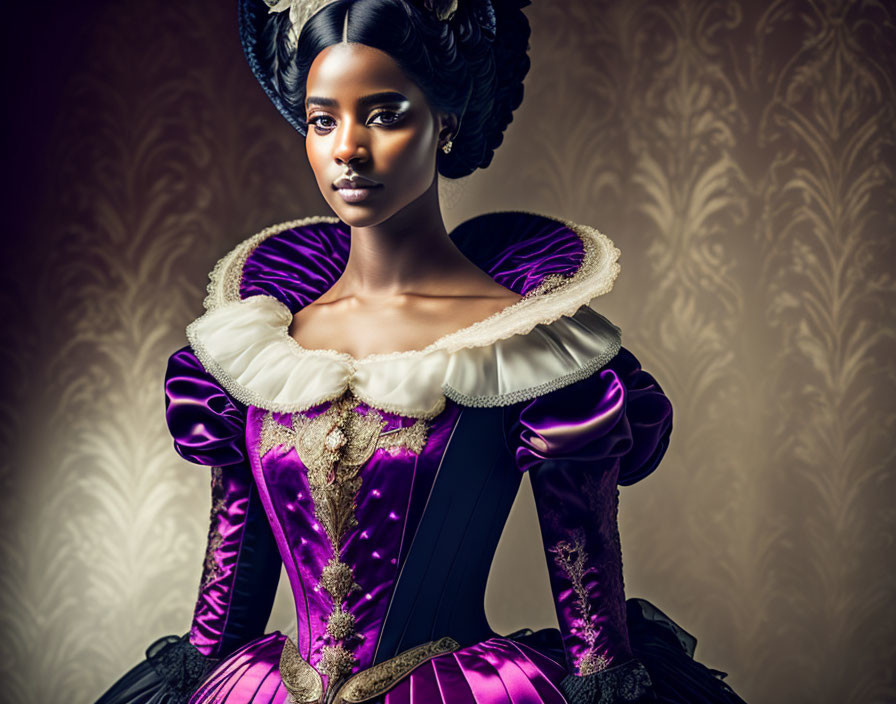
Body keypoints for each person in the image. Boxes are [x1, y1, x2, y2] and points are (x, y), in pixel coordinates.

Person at [94, 0, 750, 702]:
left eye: (382, 114)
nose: (348, 147)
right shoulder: (257, 339)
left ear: (447, 122)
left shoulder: (523, 341)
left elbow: (592, 623)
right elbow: (226, 602)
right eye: (323, 120)